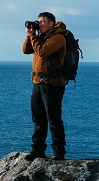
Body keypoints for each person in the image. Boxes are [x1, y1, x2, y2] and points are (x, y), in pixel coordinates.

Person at [22, 12, 67, 161]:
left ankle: (59, 153)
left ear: (51, 24)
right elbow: (26, 50)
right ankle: (37, 150)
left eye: (42, 22)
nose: (39, 24)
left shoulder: (58, 38)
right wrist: (31, 34)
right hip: (37, 83)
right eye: (38, 21)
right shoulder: (40, 37)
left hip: (52, 85)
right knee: (38, 119)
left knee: (53, 119)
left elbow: (42, 51)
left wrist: (34, 37)